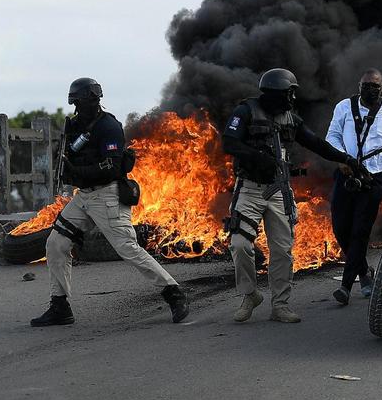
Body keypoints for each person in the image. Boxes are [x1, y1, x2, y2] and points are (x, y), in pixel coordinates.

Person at [31, 78, 189, 327]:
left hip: (108, 195)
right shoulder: (73, 126)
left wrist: (80, 171)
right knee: (56, 243)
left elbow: (112, 166)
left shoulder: (108, 127)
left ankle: (173, 293)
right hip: (83, 196)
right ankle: (60, 305)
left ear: (93, 100)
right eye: (77, 102)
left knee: (128, 248)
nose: (80, 106)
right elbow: (70, 156)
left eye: (83, 101)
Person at [221, 68, 364, 323]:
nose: (293, 98)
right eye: (290, 93)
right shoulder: (245, 111)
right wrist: (258, 157)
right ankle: (250, 294)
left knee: (282, 252)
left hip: (279, 191)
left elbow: (316, 144)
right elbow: (229, 142)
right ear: (276, 92)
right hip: (249, 189)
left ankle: (280, 305)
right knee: (240, 245)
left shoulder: (291, 120)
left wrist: (345, 159)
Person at [325, 69, 382, 305]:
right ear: (359, 87)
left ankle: (346, 287)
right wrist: (341, 160)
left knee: (360, 230)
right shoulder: (344, 107)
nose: (370, 89)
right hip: (347, 173)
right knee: (340, 227)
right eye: (365, 85)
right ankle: (364, 273)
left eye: (375, 86)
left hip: (375, 176)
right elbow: (332, 136)